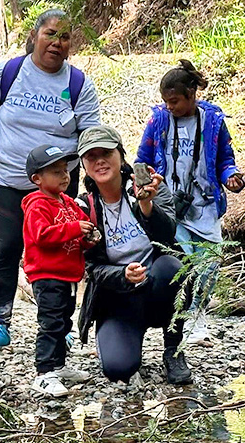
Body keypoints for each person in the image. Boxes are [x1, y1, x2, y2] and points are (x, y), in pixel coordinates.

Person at [0, 8, 102, 353]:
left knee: (61, 251)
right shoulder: (9, 73)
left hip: (61, 185)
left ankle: (60, 324)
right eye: (51, 34)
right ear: (35, 35)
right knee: (7, 249)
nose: (57, 43)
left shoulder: (78, 84)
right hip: (11, 181)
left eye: (65, 37)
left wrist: (92, 178)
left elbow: (88, 134)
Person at [134, 60, 244, 346]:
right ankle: (179, 318)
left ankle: (198, 315)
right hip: (169, 203)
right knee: (180, 260)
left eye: (175, 101)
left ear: (192, 94)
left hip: (204, 203)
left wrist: (231, 177)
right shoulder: (158, 120)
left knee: (208, 262)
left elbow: (225, 160)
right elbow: (142, 157)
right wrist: (143, 181)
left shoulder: (213, 121)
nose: (170, 107)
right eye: (166, 102)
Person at [75, 125, 193, 385]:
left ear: (121, 155)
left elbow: (167, 235)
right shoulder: (84, 208)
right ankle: (129, 338)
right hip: (118, 298)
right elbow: (92, 268)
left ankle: (173, 350)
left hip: (157, 285)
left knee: (173, 268)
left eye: (106, 153)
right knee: (118, 370)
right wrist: (122, 274)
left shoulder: (150, 186)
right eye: (91, 156)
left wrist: (146, 204)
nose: (100, 161)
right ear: (84, 164)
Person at [21, 145, 96, 397]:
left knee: (64, 320)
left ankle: (59, 365)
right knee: (51, 323)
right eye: (56, 172)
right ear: (37, 179)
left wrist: (88, 238)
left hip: (68, 275)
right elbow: (41, 236)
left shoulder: (68, 203)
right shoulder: (37, 205)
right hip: (47, 274)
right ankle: (43, 373)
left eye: (65, 170)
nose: (65, 176)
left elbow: (79, 231)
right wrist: (76, 228)